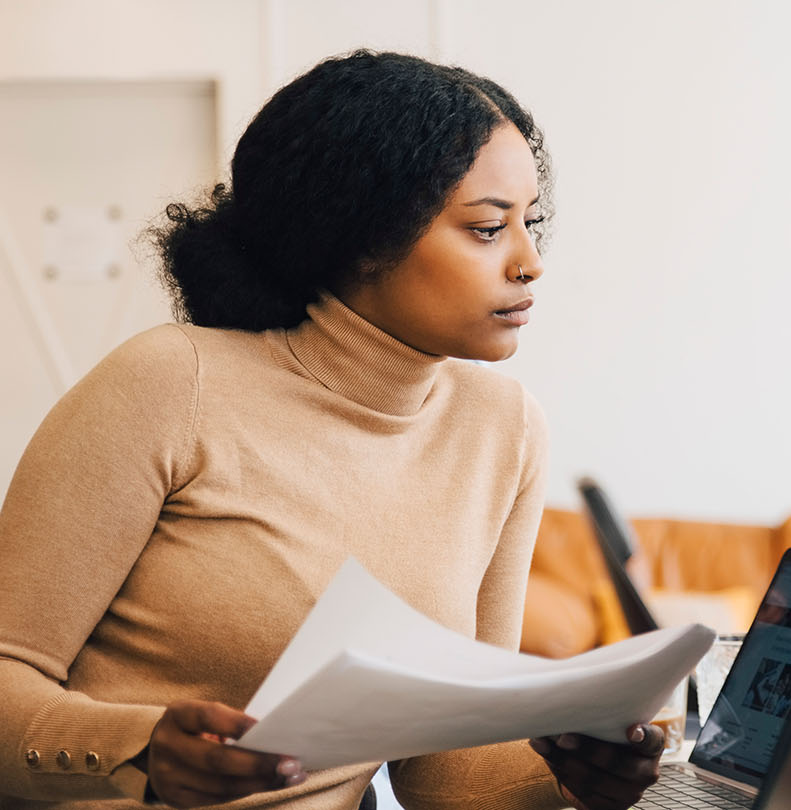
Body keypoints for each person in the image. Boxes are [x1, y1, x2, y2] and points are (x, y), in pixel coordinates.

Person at [0, 50, 661, 810]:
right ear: (362, 236)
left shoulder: (504, 429)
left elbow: (446, 770)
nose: (531, 262)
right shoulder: (168, 383)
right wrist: (140, 749)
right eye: (486, 228)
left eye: (529, 222)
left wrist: (578, 778)